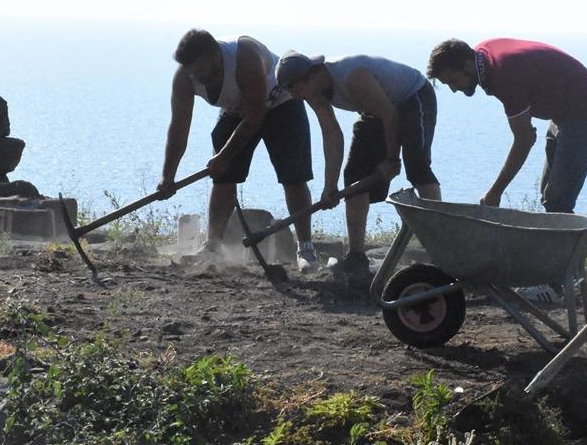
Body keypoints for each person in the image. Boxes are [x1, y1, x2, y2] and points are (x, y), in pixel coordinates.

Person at [157, 29, 321, 271]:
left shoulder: (245, 57)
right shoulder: (185, 76)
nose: (196, 77)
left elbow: (255, 117)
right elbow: (179, 128)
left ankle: (306, 249)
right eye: (191, 71)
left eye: (200, 70)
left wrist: (224, 156)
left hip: (281, 103)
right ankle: (213, 246)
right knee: (222, 178)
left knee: (293, 177)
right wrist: (168, 176)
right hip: (237, 109)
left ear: (215, 56)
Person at [275, 51, 441, 287]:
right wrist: (330, 185)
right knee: (354, 177)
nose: (292, 95)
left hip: (412, 97)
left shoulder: (353, 78)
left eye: (293, 86)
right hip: (376, 110)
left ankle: (443, 249)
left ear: (312, 75)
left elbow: (391, 116)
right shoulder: (311, 93)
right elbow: (331, 133)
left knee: (417, 166)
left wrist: (392, 160)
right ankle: (356, 256)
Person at [425, 38, 587, 214]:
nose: (454, 89)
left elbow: (523, 141)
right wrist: (525, 134)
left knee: (557, 200)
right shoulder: (483, 54)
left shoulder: (503, 75)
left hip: (586, 112)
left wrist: (495, 192)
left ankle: (573, 245)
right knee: (549, 195)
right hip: (564, 113)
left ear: (468, 66)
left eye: (453, 81)